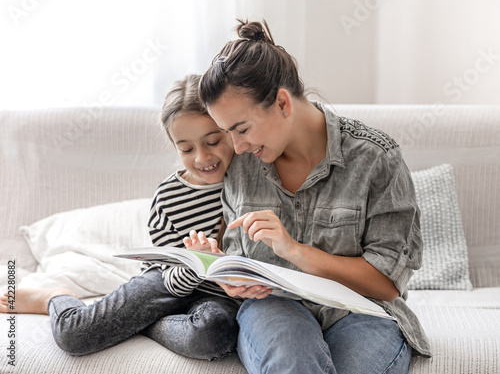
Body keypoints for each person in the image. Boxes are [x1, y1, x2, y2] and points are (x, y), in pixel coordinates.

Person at [198, 20, 431, 374]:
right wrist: (225, 275)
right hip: (275, 308)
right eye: (228, 132)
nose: (238, 146)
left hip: (362, 310)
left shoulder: (375, 158)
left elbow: (386, 284)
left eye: (242, 128)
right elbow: (239, 260)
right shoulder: (241, 167)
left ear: (281, 103)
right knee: (292, 363)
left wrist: (295, 251)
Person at [0, 74, 240, 361]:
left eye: (213, 141)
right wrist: (198, 264)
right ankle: (54, 296)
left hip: (217, 297)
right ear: (174, 145)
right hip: (165, 283)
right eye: (186, 149)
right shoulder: (168, 198)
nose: (202, 157)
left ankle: (143, 324)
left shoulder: (249, 182)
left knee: (216, 334)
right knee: (74, 335)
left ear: (229, 130)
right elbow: (168, 276)